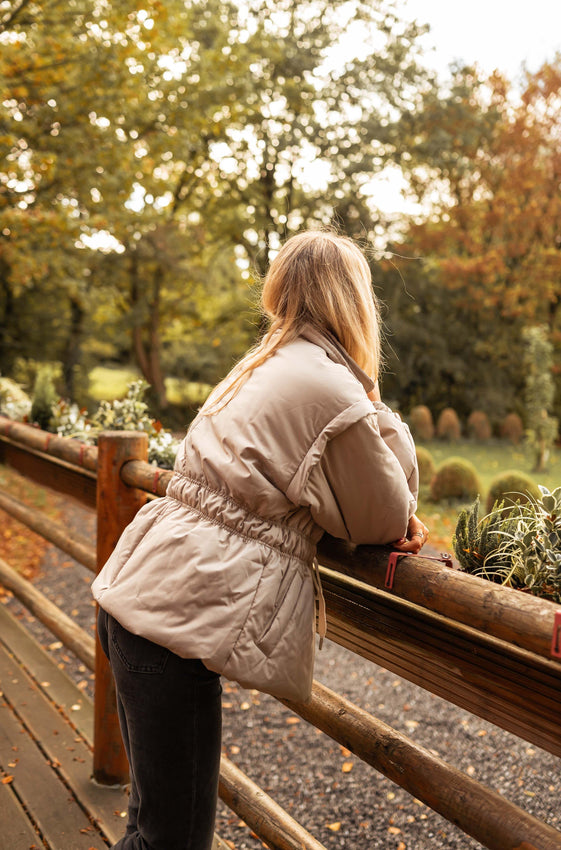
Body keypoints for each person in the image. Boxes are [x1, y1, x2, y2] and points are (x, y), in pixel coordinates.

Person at [92, 229, 428, 850]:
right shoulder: (332, 387)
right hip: (173, 624)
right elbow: (383, 515)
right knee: (171, 841)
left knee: (151, 828)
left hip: (143, 599)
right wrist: (377, 402)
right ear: (356, 301)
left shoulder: (265, 362)